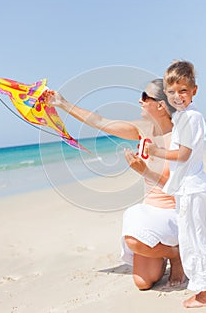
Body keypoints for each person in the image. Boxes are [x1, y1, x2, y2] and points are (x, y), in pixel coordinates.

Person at [42, 79, 185, 290]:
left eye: (145, 97)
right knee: (143, 282)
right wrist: (62, 103)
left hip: (174, 213)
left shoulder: (180, 137)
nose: (140, 100)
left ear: (161, 105)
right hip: (151, 211)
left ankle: (176, 254)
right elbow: (100, 121)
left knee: (133, 241)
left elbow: (181, 187)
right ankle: (170, 250)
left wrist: (145, 171)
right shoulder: (143, 129)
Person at [146, 61, 206, 307]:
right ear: (166, 94)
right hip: (189, 186)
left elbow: (183, 154)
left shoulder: (190, 118)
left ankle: (205, 293)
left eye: (183, 91)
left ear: (194, 91)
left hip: (192, 187)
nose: (177, 96)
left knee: (193, 239)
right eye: (171, 92)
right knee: (198, 235)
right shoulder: (183, 117)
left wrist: (156, 151)